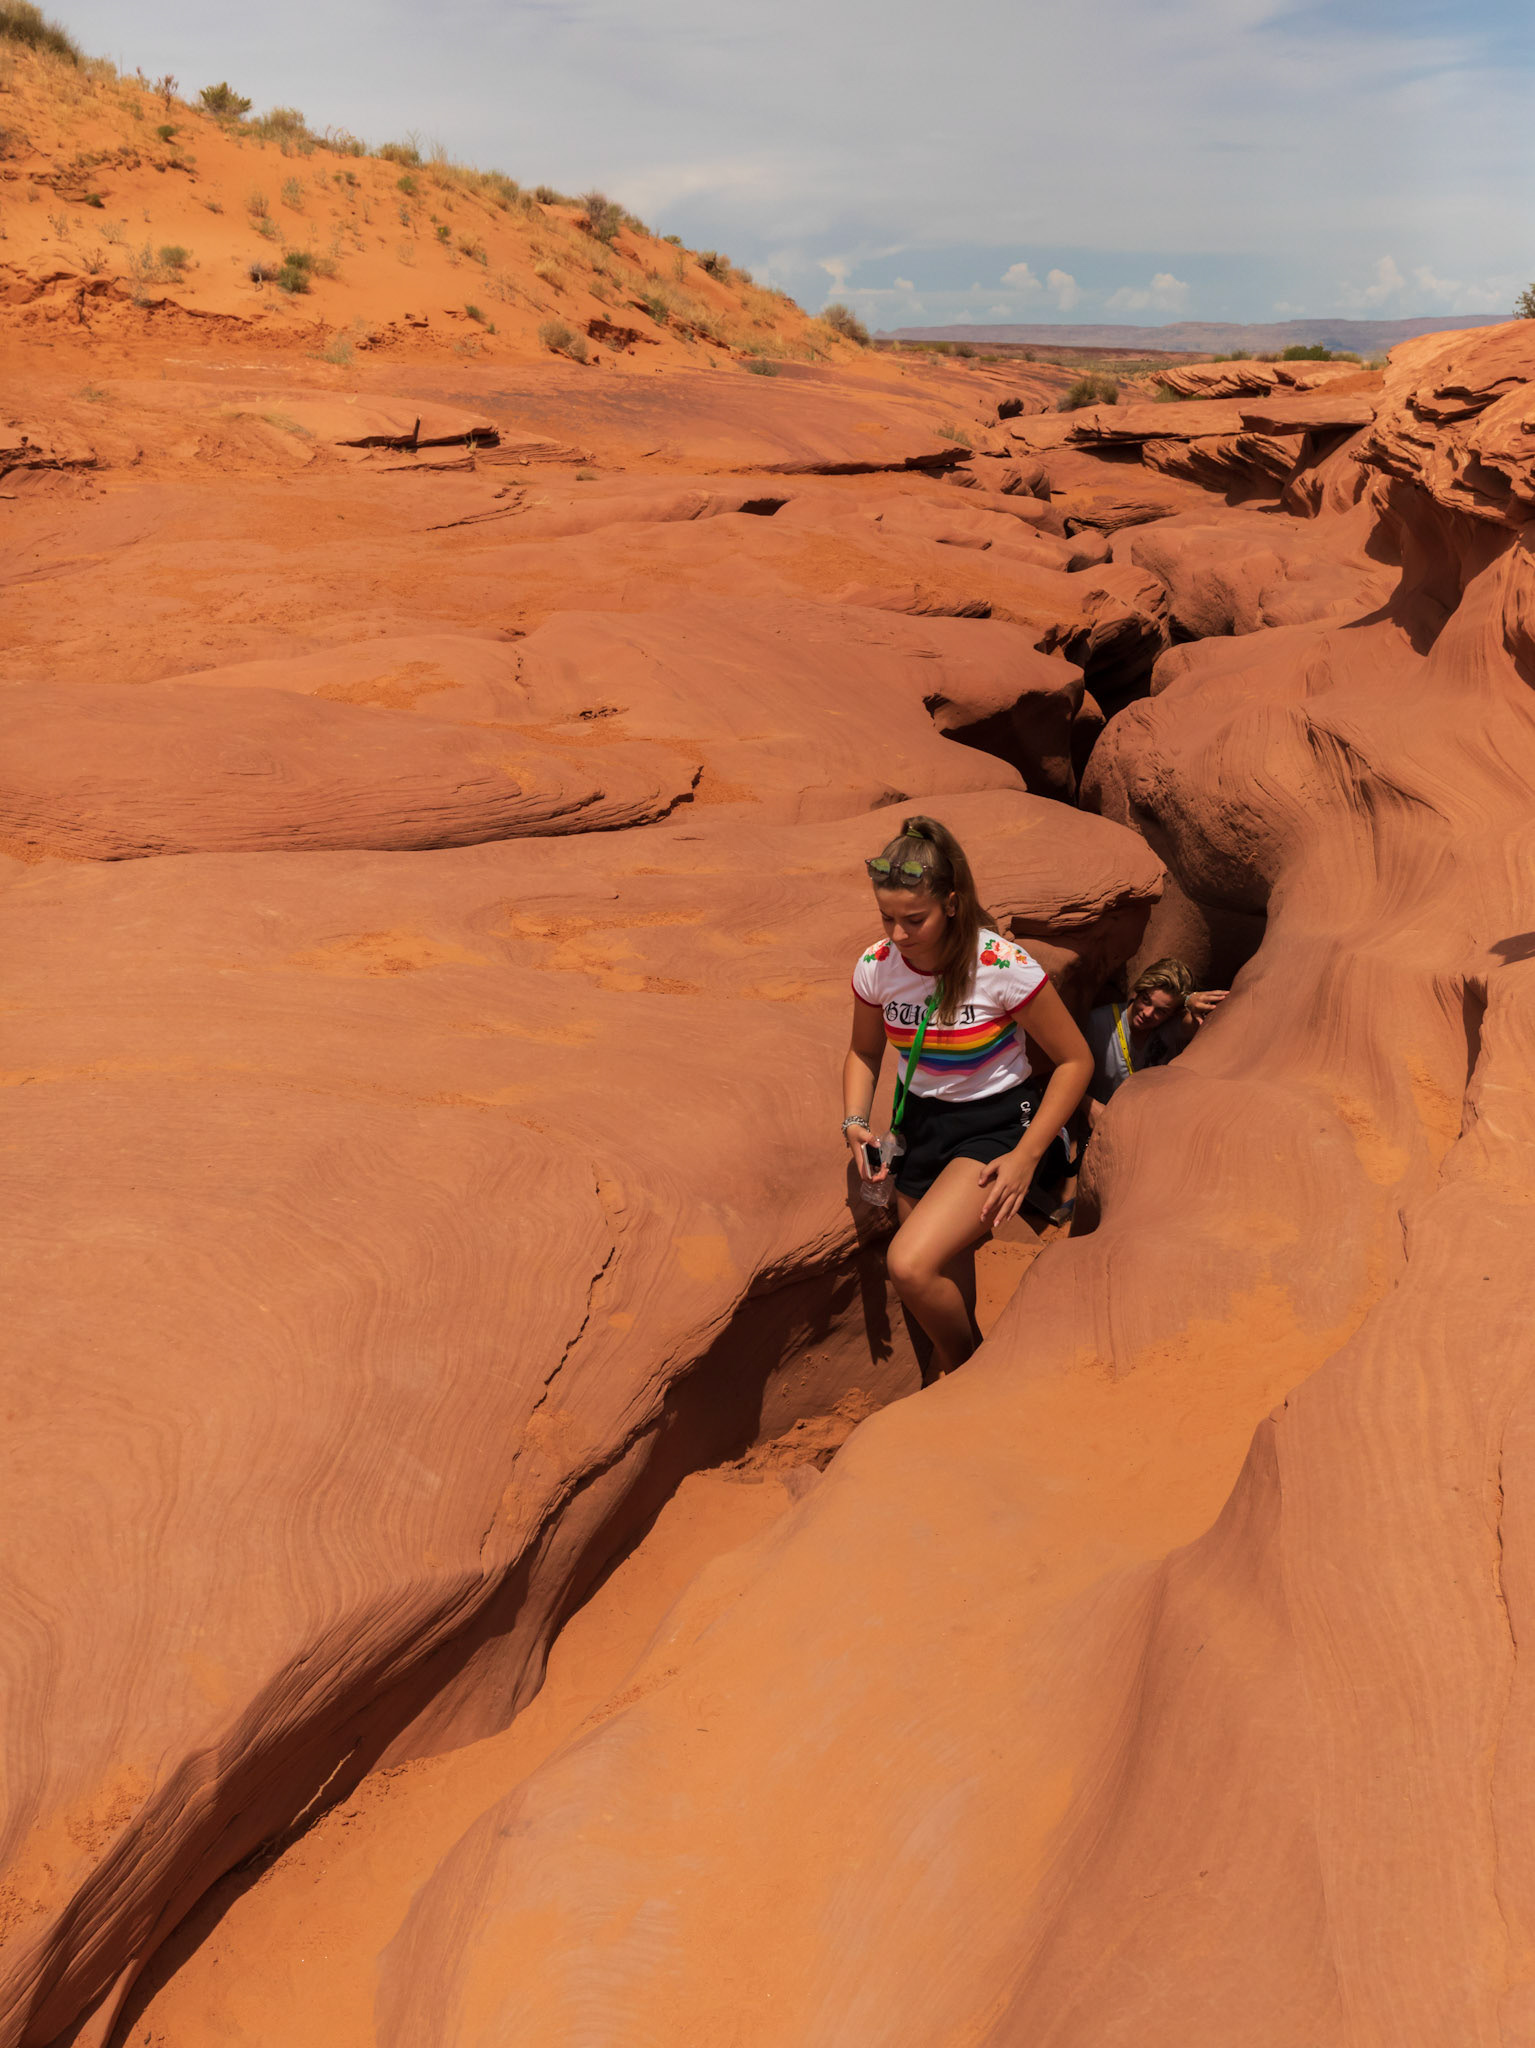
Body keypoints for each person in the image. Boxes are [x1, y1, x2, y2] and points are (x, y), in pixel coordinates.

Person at [842, 816, 1094, 1380]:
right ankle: (963, 1374)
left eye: (915, 919)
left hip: (996, 1123)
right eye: (887, 918)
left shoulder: (1000, 967)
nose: (899, 935)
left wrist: (1027, 1156)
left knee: (908, 1265)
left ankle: (966, 1371)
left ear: (951, 904)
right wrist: (856, 1121)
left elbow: (1076, 1061)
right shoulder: (877, 967)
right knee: (943, 1272)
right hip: (919, 1125)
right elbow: (863, 1053)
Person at [1084, 958, 1226, 1127]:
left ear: (1174, 1013)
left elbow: (1200, 1022)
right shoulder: (1097, 1023)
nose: (1148, 1013)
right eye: (1145, 1000)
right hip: (1096, 1129)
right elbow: (1057, 1069)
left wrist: (1189, 1000)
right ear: (1139, 990)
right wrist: (1088, 1105)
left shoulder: (1169, 1029)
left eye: (1161, 1011)